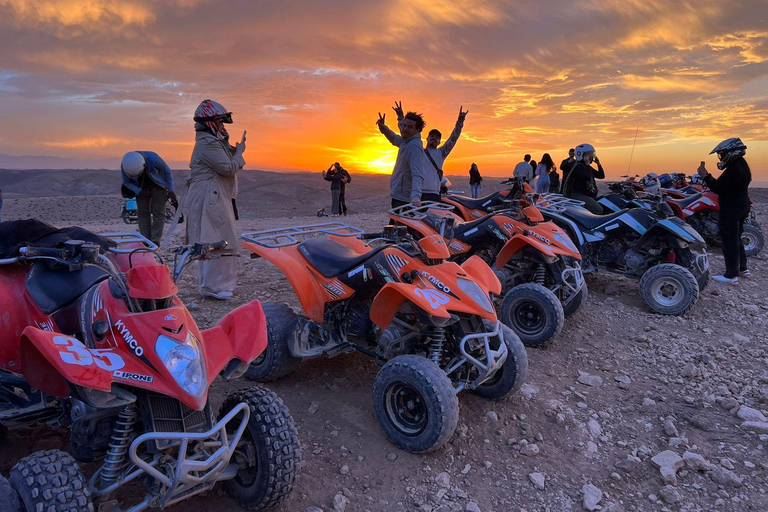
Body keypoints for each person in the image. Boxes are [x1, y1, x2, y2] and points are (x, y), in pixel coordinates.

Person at [186, 99, 246, 300]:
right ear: (211, 123)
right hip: (210, 195)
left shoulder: (210, 142)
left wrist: (231, 148)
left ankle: (211, 285)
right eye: (220, 123)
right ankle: (216, 287)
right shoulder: (208, 143)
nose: (222, 127)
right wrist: (239, 153)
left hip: (211, 193)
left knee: (212, 237)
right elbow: (227, 167)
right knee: (218, 238)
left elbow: (225, 162)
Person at [697, 138, 752, 284]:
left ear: (731, 153)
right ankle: (742, 268)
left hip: (732, 208)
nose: (721, 157)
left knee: (729, 240)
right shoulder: (742, 166)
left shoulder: (734, 169)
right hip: (741, 205)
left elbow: (718, 188)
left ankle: (731, 275)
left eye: (722, 154)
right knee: (737, 237)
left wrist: (705, 176)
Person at [392, 102, 467, 203]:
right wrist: (400, 116)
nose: (434, 138)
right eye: (432, 136)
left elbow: (453, 139)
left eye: (437, 137)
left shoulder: (441, 153)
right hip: (419, 193)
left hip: (434, 194)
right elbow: (405, 132)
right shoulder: (417, 151)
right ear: (427, 138)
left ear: (440, 142)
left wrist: (460, 123)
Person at [120, 151, 177, 245]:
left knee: (158, 213)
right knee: (142, 214)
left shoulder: (153, 158)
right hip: (140, 188)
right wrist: (139, 191)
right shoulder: (125, 165)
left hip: (158, 186)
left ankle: (155, 241)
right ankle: (145, 241)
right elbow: (127, 182)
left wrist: (171, 191)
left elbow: (167, 172)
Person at [377, 108, 425, 208]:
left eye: (410, 127)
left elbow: (417, 174)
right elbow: (394, 138)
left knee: (400, 223)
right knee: (395, 223)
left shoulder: (414, 147)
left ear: (417, 130)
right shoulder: (406, 140)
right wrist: (384, 128)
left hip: (405, 199)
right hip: (399, 194)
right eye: (404, 125)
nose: (404, 129)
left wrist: (416, 196)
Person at [561, 143, 605, 214]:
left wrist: (598, 164)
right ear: (582, 155)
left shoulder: (586, 167)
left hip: (586, 194)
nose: (592, 157)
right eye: (589, 155)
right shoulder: (578, 167)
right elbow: (586, 177)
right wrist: (587, 164)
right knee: (598, 209)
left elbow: (601, 175)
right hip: (578, 195)